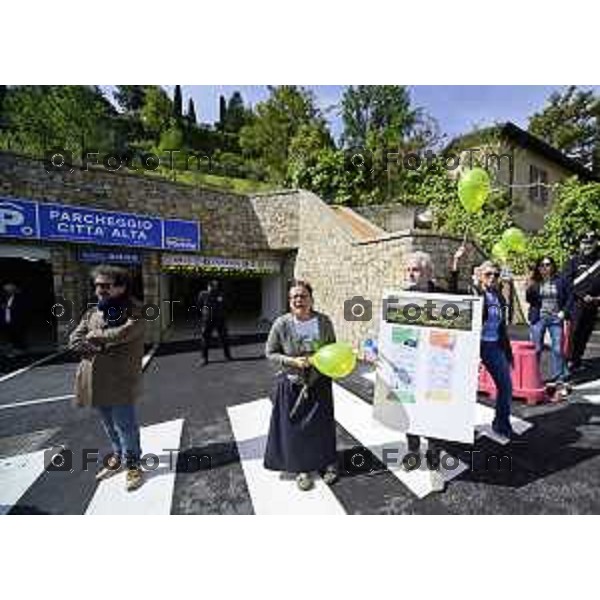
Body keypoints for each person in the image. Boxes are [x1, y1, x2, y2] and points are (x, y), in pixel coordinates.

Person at [68, 265, 145, 492]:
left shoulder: (136, 310)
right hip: (93, 379)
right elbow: (73, 339)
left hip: (120, 379)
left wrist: (93, 338)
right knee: (108, 424)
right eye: (97, 285)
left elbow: (124, 333)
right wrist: (96, 342)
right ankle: (118, 456)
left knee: (126, 426)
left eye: (105, 285)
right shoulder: (93, 311)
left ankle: (133, 465)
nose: (99, 289)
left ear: (121, 287)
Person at [263, 279, 338, 491]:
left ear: (311, 299)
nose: (299, 300)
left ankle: (326, 464)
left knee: (322, 427)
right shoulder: (281, 324)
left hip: (319, 381)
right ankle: (302, 468)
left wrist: (322, 360)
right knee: (296, 429)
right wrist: (293, 361)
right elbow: (270, 352)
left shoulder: (324, 321)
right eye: (294, 296)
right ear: (289, 301)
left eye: (303, 296)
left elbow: (332, 348)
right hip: (292, 384)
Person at [401, 248, 463, 492]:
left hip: (436, 369)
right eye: (408, 269)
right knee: (411, 415)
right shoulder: (401, 296)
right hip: (411, 368)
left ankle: (435, 464)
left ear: (428, 271)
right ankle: (413, 452)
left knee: (433, 417)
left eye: (415, 269)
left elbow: (460, 316)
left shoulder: (442, 295)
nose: (410, 274)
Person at [469, 260, 515, 439]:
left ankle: (501, 423)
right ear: (480, 276)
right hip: (474, 345)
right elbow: (454, 289)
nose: (492, 278)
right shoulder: (474, 292)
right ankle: (464, 427)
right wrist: (456, 264)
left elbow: (501, 325)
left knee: (506, 386)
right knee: (467, 389)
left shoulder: (499, 296)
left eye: (496, 274)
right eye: (488, 274)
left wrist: (506, 350)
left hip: (494, 345)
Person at [526, 256, 571, 399]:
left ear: (553, 266)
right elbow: (530, 299)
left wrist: (564, 312)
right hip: (538, 318)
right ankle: (533, 377)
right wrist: (529, 286)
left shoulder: (560, 280)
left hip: (555, 319)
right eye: (542, 265)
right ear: (539, 268)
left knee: (557, 349)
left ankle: (559, 379)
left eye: (548, 264)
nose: (545, 267)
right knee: (536, 349)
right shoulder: (535, 282)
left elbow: (570, 297)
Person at [562, 231, 600, 373]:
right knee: (573, 334)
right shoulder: (573, 262)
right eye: (585, 243)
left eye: (591, 242)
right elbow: (566, 283)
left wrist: (597, 299)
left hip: (593, 305)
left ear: (596, 243)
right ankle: (568, 361)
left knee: (585, 333)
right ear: (580, 244)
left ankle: (577, 359)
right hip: (576, 305)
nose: (587, 245)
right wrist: (582, 295)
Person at [197, 279, 232, 366]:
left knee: (224, 338)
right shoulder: (203, 294)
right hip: (208, 320)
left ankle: (227, 356)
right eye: (212, 285)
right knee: (205, 339)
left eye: (216, 285)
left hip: (220, 319)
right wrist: (204, 313)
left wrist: (224, 314)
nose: (214, 287)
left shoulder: (221, 294)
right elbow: (199, 305)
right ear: (208, 286)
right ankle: (204, 358)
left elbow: (227, 305)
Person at [0, 282, 29, 357]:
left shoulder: (19, 298)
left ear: (13, 290)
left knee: (18, 336)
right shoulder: (4, 298)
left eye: (9, 290)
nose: (7, 292)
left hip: (17, 321)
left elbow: (22, 310)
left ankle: (19, 351)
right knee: (9, 336)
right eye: (6, 290)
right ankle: (11, 350)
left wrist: (9, 308)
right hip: (6, 320)